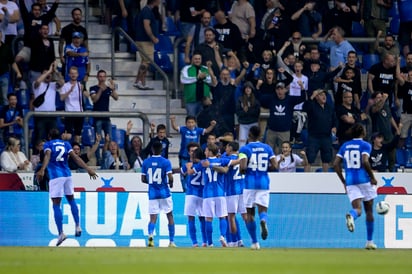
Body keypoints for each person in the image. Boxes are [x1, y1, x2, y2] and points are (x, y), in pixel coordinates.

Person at [36, 128, 98, 246]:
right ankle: (78, 226)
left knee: (56, 203)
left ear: (49, 136)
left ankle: (61, 233)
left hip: (55, 176)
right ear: (60, 136)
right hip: (67, 175)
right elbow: (76, 158)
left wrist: (42, 169)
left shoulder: (48, 144)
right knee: (71, 199)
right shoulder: (66, 144)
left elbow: (48, 155)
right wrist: (88, 169)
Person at [333, 123, 378, 250]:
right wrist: (373, 177)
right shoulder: (365, 145)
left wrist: (343, 181)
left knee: (357, 209)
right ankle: (369, 241)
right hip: (364, 179)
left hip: (350, 181)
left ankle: (352, 215)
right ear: (363, 133)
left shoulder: (345, 146)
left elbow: (335, 164)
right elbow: (364, 161)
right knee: (369, 211)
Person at [186, 143, 232, 247]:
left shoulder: (203, 163)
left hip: (207, 194)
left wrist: (189, 166)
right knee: (222, 217)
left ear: (210, 152)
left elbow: (190, 172)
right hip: (220, 193)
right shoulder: (222, 160)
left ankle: (210, 243)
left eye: (206, 151)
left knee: (208, 219)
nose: (205, 152)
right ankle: (222, 236)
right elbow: (234, 162)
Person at [239, 125, 277, 250]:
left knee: (249, 213)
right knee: (263, 209)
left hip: (249, 183)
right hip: (263, 182)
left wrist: (243, 171)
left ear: (249, 135)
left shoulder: (244, 149)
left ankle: (255, 242)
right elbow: (275, 166)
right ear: (260, 135)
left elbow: (243, 167)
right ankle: (263, 220)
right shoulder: (267, 148)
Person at [141, 141, 176, 247]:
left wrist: (152, 182)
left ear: (152, 149)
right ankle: (171, 241)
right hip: (164, 193)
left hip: (152, 194)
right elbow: (170, 176)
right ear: (162, 149)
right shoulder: (166, 162)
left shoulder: (146, 162)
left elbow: (143, 179)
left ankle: (150, 236)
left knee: (153, 217)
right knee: (170, 216)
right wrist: (171, 183)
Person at [170, 114, 216, 190]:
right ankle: (184, 189)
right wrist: (172, 121)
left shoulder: (198, 130)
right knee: (183, 172)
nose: (190, 124)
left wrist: (212, 125)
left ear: (195, 123)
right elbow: (175, 128)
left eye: (192, 122)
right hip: (184, 155)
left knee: (195, 171)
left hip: (196, 156)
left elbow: (207, 130)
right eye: (189, 122)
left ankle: (194, 188)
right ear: (186, 123)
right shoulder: (183, 129)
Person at [304, 89, 337, 172]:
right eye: (321, 94)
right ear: (316, 97)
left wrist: (334, 127)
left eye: (324, 95)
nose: (324, 96)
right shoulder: (312, 106)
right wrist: (312, 96)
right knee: (309, 159)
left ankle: (325, 177)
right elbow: (305, 107)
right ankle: (305, 178)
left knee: (326, 159)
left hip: (326, 137)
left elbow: (335, 119)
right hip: (314, 137)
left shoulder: (329, 107)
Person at [31, 62, 64, 144]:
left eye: (49, 74)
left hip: (51, 116)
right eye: (45, 74)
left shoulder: (53, 85)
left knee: (54, 137)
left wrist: (55, 71)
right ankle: (37, 155)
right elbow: (38, 81)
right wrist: (49, 71)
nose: (48, 75)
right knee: (39, 137)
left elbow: (62, 83)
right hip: (40, 116)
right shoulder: (36, 84)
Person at [181, 143, 206, 247]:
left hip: (193, 194)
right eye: (191, 151)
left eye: (195, 150)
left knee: (194, 218)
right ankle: (199, 242)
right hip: (201, 194)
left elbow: (183, 173)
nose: (193, 152)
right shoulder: (204, 163)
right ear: (188, 152)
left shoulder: (188, 165)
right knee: (201, 218)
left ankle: (199, 242)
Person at [132, 0, 161, 90]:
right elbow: (146, 25)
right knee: (147, 61)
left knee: (144, 61)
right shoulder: (147, 11)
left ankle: (141, 82)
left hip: (143, 40)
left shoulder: (147, 10)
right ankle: (138, 81)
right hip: (145, 41)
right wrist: (153, 38)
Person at [222, 141, 246, 247]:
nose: (225, 149)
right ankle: (248, 239)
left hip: (231, 191)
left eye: (227, 147)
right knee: (245, 216)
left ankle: (233, 242)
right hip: (242, 190)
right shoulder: (242, 158)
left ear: (230, 148)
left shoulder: (227, 159)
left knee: (230, 217)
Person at [60, 66, 89, 143]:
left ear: (77, 74)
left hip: (79, 112)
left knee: (77, 135)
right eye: (72, 73)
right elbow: (62, 98)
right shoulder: (65, 86)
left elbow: (87, 95)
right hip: (69, 112)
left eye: (75, 73)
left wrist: (83, 90)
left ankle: (77, 151)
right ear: (69, 74)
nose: (73, 75)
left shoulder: (80, 85)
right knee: (68, 135)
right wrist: (70, 91)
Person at [180, 52, 213, 117]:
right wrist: (197, 78)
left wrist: (203, 78)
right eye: (195, 59)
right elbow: (183, 80)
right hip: (191, 100)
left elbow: (212, 81)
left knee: (204, 121)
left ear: (201, 60)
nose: (197, 60)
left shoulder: (205, 69)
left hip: (205, 100)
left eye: (199, 59)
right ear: (192, 59)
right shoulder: (186, 68)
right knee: (191, 120)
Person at [89, 70, 119, 141]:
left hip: (106, 117)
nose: (102, 79)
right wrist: (100, 90)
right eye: (100, 77)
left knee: (109, 139)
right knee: (97, 140)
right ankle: (97, 152)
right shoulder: (93, 88)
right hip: (97, 117)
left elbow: (116, 98)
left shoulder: (108, 89)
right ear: (97, 77)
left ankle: (107, 152)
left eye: (103, 77)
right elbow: (94, 99)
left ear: (105, 78)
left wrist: (113, 89)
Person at [236, 81, 261, 147]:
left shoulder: (255, 100)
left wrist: (248, 111)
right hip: (243, 124)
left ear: (252, 89)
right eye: (246, 88)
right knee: (242, 142)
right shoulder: (240, 99)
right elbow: (238, 112)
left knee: (253, 142)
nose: (248, 89)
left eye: (249, 88)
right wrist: (244, 112)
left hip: (253, 123)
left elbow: (257, 112)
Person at [0, 29, 21, 105]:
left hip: (4, 75)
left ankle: (5, 116)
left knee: (5, 98)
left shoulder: (6, 48)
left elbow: (12, 62)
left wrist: (18, 72)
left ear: (1, 35)